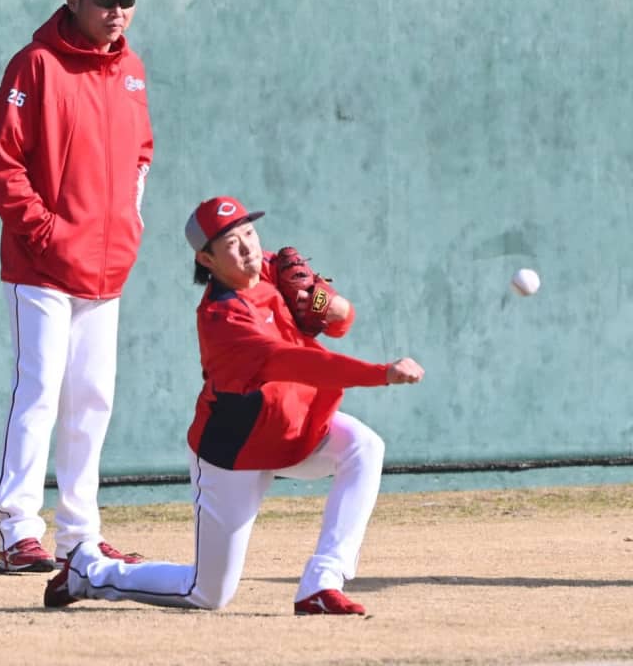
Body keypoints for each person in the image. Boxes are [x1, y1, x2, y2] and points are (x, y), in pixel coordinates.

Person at [43, 196, 424, 614]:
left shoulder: (275, 270)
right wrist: (379, 372)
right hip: (236, 453)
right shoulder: (221, 319)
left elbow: (338, 318)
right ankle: (91, 573)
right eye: (231, 242)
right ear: (206, 258)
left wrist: (329, 305)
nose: (248, 247)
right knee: (207, 593)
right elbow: (299, 362)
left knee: (364, 446)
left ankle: (322, 582)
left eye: (249, 233)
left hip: (297, 431)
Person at [0, 0, 153, 573]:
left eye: (127, 0)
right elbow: (4, 164)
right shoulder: (35, 64)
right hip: (42, 268)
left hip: (107, 269)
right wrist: (48, 234)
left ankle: (79, 533)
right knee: (39, 393)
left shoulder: (130, 70)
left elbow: (141, 153)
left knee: (92, 399)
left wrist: (129, 228)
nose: (117, 11)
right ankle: (18, 531)